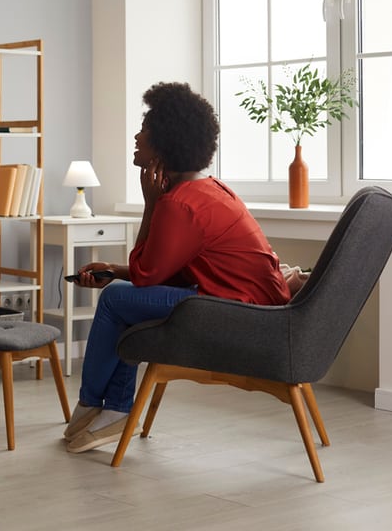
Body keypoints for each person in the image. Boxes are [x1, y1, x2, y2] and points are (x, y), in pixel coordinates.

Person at [63, 81, 291, 454]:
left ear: (167, 141)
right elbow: (157, 271)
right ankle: (115, 409)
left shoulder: (179, 204)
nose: (137, 135)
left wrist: (151, 204)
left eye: (146, 129)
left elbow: (145, 274)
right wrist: (114, 269)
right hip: (246, 303)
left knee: (115, 300)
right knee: (124, 299)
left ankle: (92, 403)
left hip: (237, 313)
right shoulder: (208, 189)